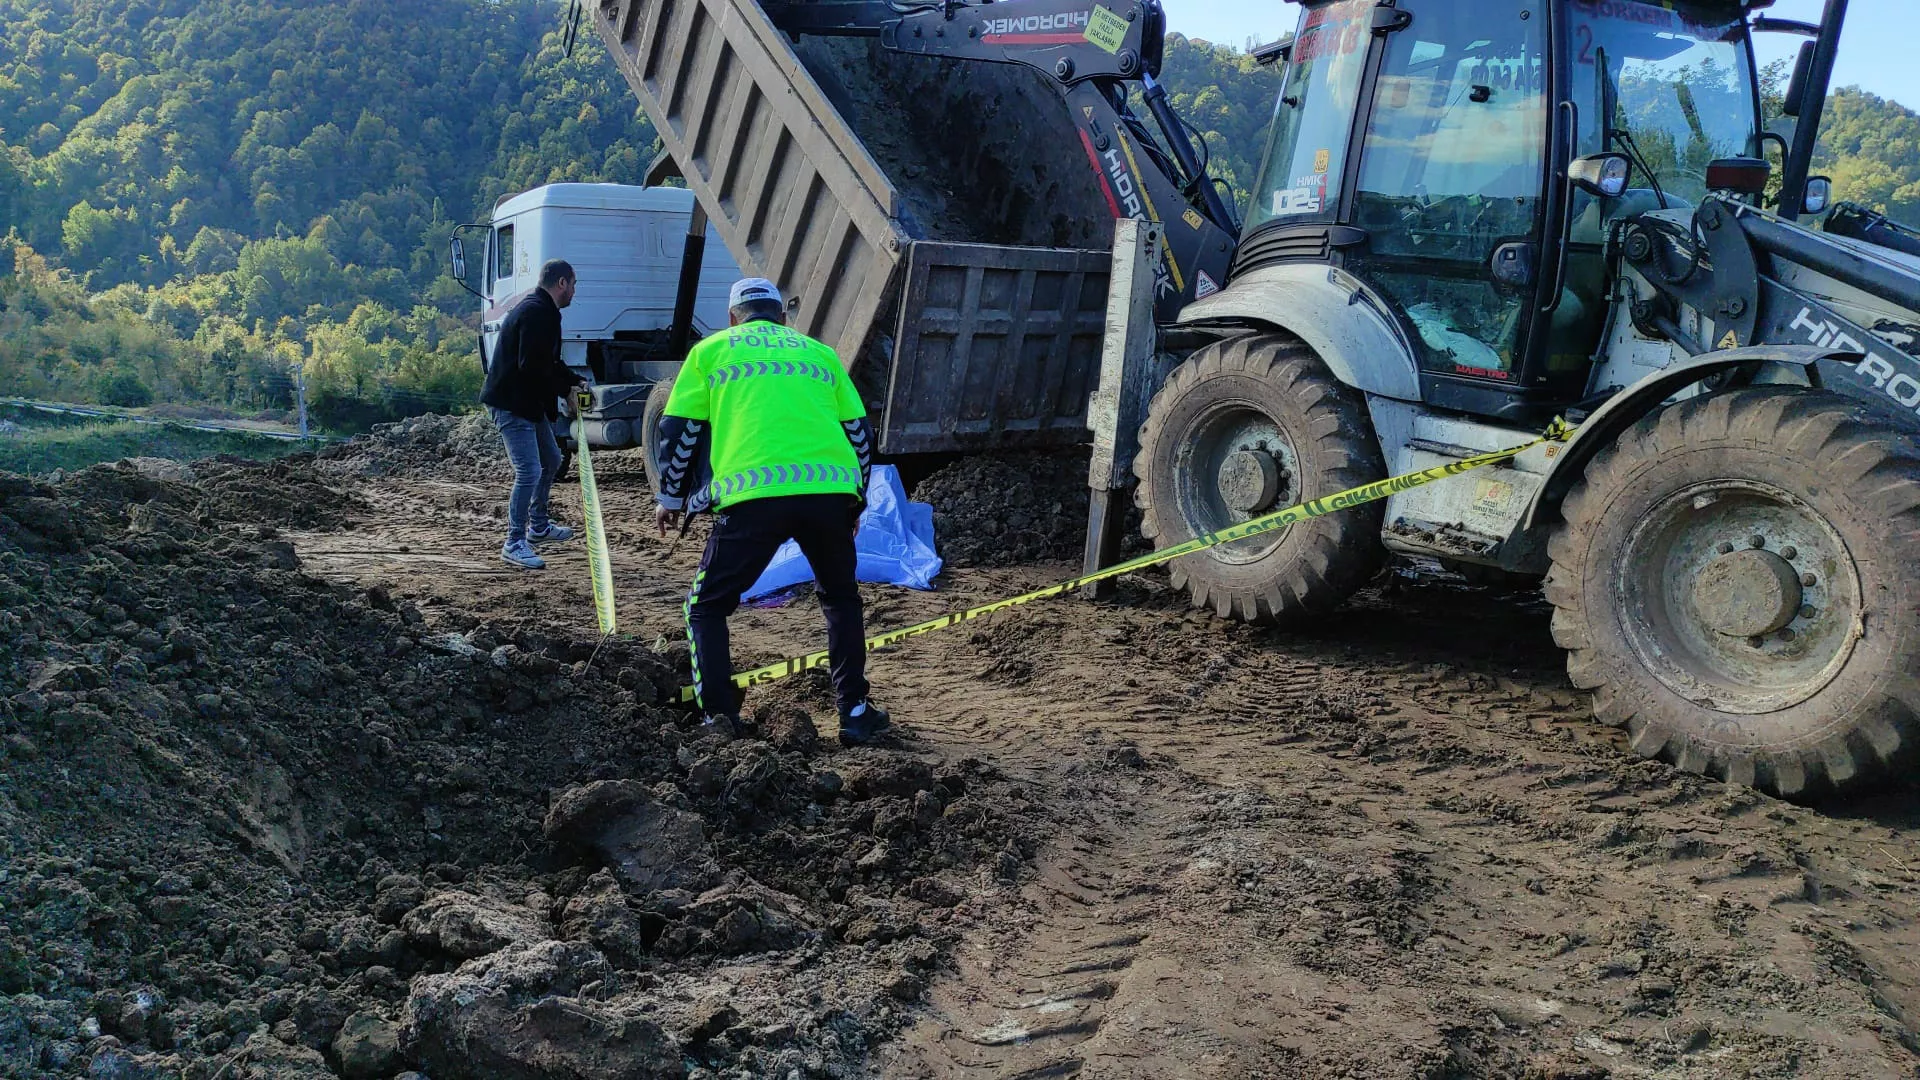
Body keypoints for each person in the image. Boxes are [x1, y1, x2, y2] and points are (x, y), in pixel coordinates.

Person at [653, 278, 891, 745]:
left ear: (732, 317)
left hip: (752, 496)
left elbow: (679, 430)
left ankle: (718, 719)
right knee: (841, 598)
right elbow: (860, 436)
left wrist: (671, 497)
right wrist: (856, 499)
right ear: (783, 317)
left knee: (706, 607)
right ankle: (855, 714)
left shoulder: (710, 352)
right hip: (828, 493)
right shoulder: (819, 355)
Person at [481, 259, 584, 569]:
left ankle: (538, 526)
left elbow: (547, 362)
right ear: (562, 283)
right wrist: (564, 391)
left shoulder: (544, 311)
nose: (574, 292)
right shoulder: (537, 312)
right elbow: (531, 366)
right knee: (529, 471)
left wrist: (574, 381)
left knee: (551, 460)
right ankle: (514, 541)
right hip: (511, 403)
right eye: (574, 284)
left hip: (528, 402)